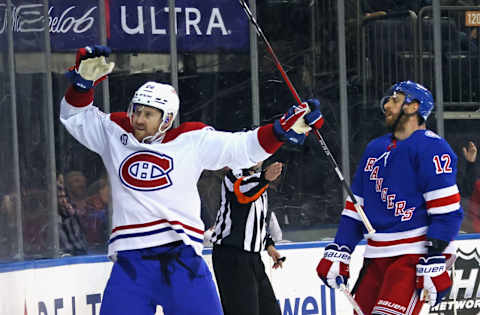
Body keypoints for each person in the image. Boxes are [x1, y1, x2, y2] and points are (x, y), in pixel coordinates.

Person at [59, 45, 325, 315]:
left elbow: (241, 148)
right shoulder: (115, 133)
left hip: (181, 260)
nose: (139, 119)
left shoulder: (191, 141)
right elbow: (75, 118)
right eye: (136, 110)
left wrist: (279, 130)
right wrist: (82, 87)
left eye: (148, 114)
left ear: (167, 119)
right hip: (132, 262)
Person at [316, 81, 463, 315]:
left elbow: (446, 210)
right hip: (376, 258)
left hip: (414, 256)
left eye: (394, 99)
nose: (387, 104)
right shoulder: (375, 148)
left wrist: (435, 256)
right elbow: (357, 208)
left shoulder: (432, 147)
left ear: (414, 106)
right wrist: (341, 249)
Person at [210, 161, 287, 315]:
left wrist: (269, 245)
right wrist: (265, 177)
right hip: (231, 258)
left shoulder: (258, 181)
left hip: (253, 259)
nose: (260, 158)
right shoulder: (234, 175)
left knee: (270, 310)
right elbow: (243, 193)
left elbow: (255, 219)